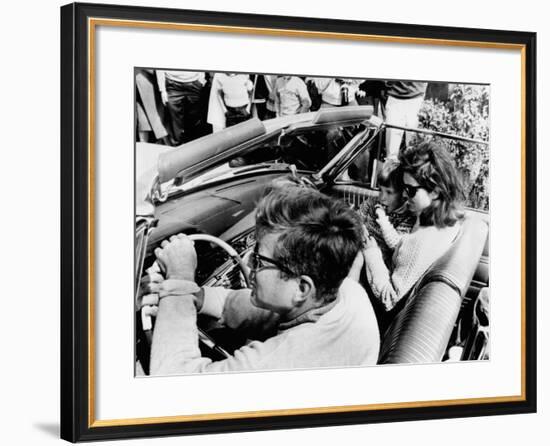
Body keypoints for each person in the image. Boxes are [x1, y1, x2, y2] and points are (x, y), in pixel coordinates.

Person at [148, 187, 380, 375]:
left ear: (301, 287)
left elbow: (172, 380)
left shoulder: (285, 361)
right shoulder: (345, 291)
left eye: (259, 259)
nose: (248, 264)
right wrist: (197, 297)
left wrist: (180, 279)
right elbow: (261, 313)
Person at [355, 140, 465, 312]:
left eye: (410, 189)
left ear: (435, 191)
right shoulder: (442, 223)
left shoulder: (422, 242)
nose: (405, 195)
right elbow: (403, 248)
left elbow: (389, 299)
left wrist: (372, 253)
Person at [356, 160, 416, 267]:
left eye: (389, 192)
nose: (382, 198)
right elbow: (356, 217)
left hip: (378, 264)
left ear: (403, 194)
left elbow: (397, 246)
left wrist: (384, 222)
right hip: (359, 249)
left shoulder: (407, 217)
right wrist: (360, 228)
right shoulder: (372, 202)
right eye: (380, 190)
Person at [155, 70, 206, 144]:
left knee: (194, 119)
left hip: (194, 82)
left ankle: (193, 146)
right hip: (172, 84)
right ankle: (179, 146)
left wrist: (201, 79)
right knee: (175, 120)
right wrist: (162, 90)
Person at [383, 81, 428, 161]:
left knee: (414, 151)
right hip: (395, 98)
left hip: (416, 99)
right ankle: (390, 172)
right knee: (391, 154)